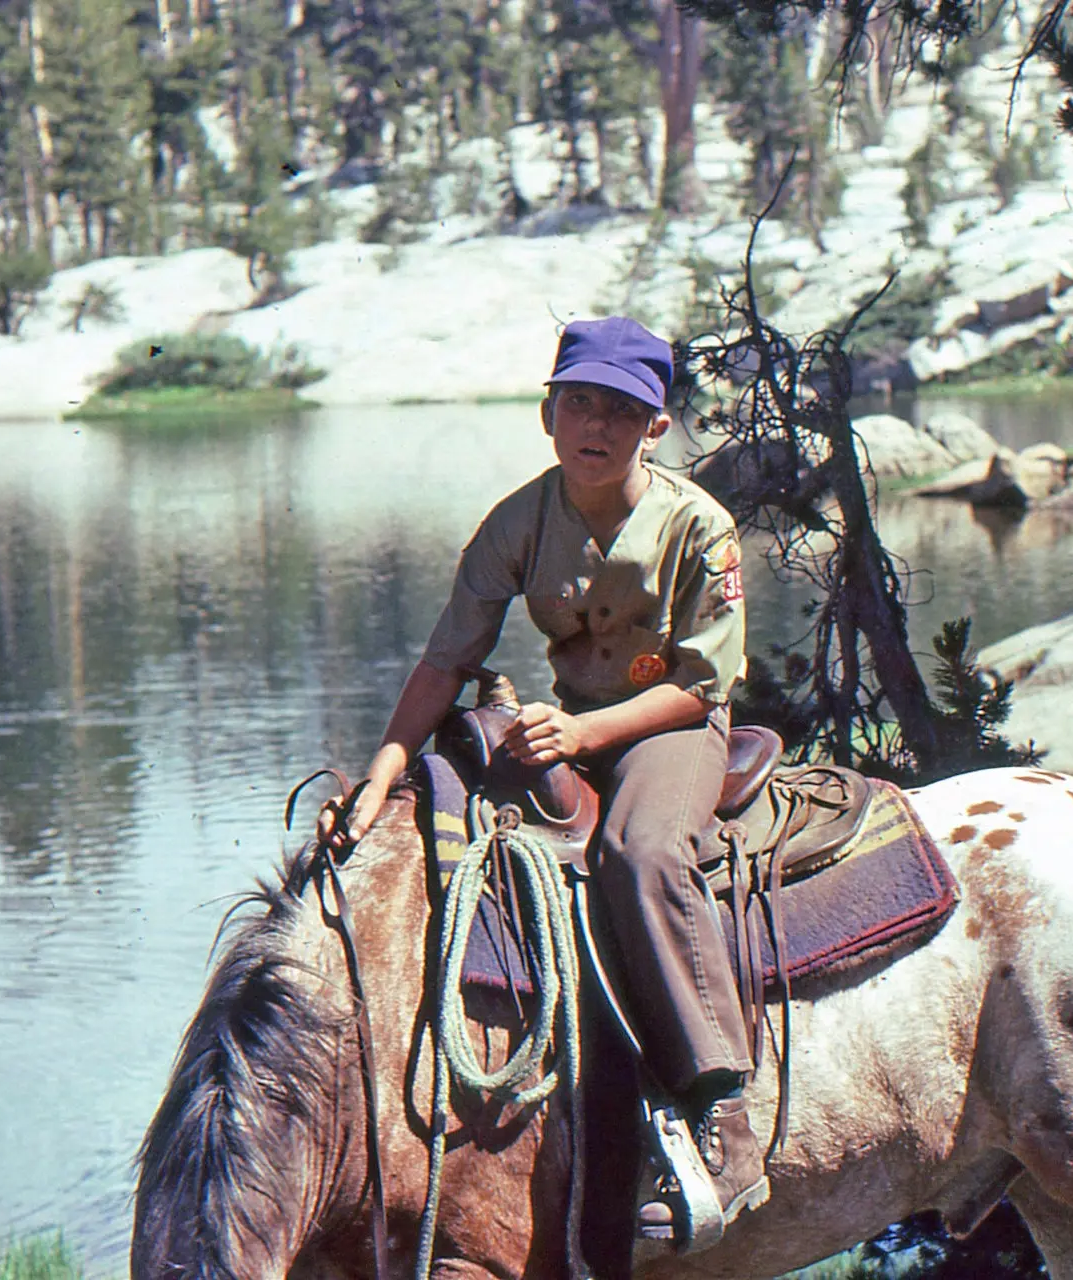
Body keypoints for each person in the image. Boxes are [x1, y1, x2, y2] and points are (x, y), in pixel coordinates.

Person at [317, 315, 768, 1235]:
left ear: (656, 426)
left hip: (668, 725)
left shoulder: (697, 525)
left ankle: (723, 1104)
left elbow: (702, 680)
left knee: (640, 851)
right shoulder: (517, 522)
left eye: (621, 409)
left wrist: (585, 729)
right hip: (571, 724)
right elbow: (446, 660)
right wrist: (380, 770)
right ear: (546, 413)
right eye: (578, 403)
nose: (594, 425)